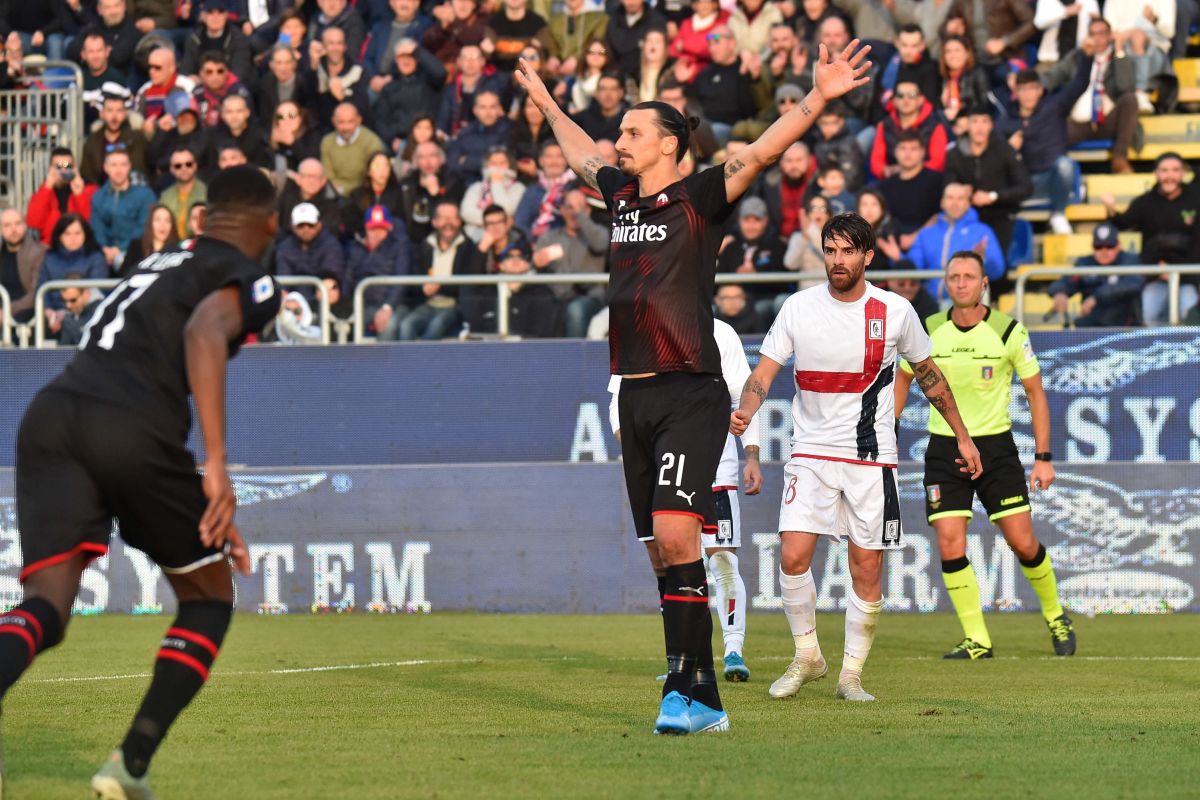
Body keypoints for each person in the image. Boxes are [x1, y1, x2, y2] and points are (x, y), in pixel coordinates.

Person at [515, 34, 874, 735]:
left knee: (682, 535)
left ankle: (693, 694)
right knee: (662, 550)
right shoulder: (618, 196)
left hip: (689, 391)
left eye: (633, 132)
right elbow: (580, 148)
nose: (619, 142)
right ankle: (691, 689)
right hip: (634, 392)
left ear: (670, 144)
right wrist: (547, 102)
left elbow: (762, 151)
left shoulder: (700, 196)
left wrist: (822, 98)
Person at [1, 165, 279, 798]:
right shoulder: (252, 278)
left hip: (51, 415)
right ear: (270, 223)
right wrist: (215, 463)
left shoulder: (158, 262)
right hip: (128, 425)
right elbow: (205, 332)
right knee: (208, 597)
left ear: (201, 218)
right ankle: (129, 767)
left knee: (47, 606)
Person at [731, 214, 982, 703]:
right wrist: (746, 409)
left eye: (848, 251)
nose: (837, 260)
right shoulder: (798, 308)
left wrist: (963, 437)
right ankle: (807, 656)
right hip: (810, 454)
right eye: (830, 250)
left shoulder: (895, 311)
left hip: (871, 459)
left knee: (866, 567)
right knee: (793, 554)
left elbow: (928, 376)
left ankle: (850, 676)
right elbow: (764, 372)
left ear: (868, 256)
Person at [895, 251, 1075, 659]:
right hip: (944, 446)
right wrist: (887, 429)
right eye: (953, 277)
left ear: (983, 284)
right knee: (949, 541)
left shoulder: (1008, 330)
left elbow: (1036, 393)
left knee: (1023, 542)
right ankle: (977, 639)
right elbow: (901, 381)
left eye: (968, 277)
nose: (960, 283)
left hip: (994, 447)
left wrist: (1043, 456)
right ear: (945, 284)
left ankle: (1055, 614)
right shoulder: (928, 330)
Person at [608, 318, 764, 681]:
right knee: (667, 563)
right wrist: (633, 449)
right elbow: (619, 399)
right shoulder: (639, 332)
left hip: (716, 468)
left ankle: (733, 650)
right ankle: (683, 658)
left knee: (722, 560)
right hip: (662, 473)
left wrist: (751, 454)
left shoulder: (720, 333)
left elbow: (743, 394)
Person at [1101, 152, 1200, 324]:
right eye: (1164, 170)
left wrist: (1177, 270)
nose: (1170, 176)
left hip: (1189, 277)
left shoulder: (1196, 199)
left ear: (1182, 173)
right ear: (1156, 173)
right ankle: (1162, 351)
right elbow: (1123, 223)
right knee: (1150, 316)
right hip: (1156, 276)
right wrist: (1110, 208)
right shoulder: (1145, 202)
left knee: (1188, 317)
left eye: (1175, 170)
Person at [995, 57, 1090, 235]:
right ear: (1016, 92)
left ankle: (1058, 214)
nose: (1028, 94)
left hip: (1052, 177)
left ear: (1040, 90)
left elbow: (1080, 83)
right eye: (1023, 90)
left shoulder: (1054, 107)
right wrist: (1009, 149)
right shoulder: (1005, 121)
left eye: (1032, 89)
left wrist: (1087, 56)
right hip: (1025, 183)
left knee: (1065, 165)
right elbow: (995, 160)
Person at [1044, 18, 1138, 174]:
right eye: (1093, 34)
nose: (1098, 39)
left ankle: (1120, 158)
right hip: (1077, 124)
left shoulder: (1119, 57)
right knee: (1050, 121)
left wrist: (1120, 49)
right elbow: (1049, 78)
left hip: (1109, 120)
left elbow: (1125, 86)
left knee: (1130, 100)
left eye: (1102, 34)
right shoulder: (1076, 57)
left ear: (1110, 35)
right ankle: (1053, 169)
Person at [942, 107, 1032, 262]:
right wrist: (963, 193)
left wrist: (994, 196)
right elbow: (948, 186)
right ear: (967, 125)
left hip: (1000, 216)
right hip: (964, 219)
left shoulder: (1004, 150)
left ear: (991, 125)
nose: (979, 127)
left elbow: (1025, 187)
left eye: (984, 121)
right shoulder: (954, 154)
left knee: (994, 265)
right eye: (975, 121)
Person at [905, 182, 1005, 302]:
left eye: (960, 198)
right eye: (950, 198)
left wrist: (983, 259)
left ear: (968, 204)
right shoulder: (926, 233)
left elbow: (997, 271)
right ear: (942, 203)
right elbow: (913, 269)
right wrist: (897, 257)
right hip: (929, 303)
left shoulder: (982, 231)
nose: (955, 203)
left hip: (965, 303)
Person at [532, 187, 609, 337]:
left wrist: (581, 215)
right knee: (540, 307)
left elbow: (600, 244)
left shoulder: (598, 232)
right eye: (569, 207)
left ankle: (575, 358)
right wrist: (536, 262)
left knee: (575, 310)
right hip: (556, 297)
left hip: (590, 297)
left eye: (580, 208)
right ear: (561, 210)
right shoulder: (549, 237)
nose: (574, 213)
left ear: (587, 211)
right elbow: (535, 264)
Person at [1047, 222, 1143, 327]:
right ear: (1092, 246)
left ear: (1119, 245)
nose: (1104, 251)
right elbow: (1068, 281)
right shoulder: (1085, 263)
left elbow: (1134, 283)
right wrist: (1060, 293)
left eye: (1110, 246)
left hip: (1123, 328)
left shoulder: (1129, 260)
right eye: (1098, 246)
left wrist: (1096, 297)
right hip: (1090, 326)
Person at [717, 195, 788, 322]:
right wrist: (736, 280)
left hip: (763, 298)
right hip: (731, 300)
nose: (751, 225)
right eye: (746, 220)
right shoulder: (731, 246)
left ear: (765, 221)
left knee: (760, 309)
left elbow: (783, 283)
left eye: (756, 220)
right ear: (739, 221)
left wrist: (756, 275)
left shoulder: (777, 245)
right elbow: (718, 280)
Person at [90, 148, 158, 271]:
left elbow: (143, 227)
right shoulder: (98, 196)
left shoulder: (145, 195)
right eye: (114, 165)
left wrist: (120, 248)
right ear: (106, 167)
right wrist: (105, 248)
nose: (118, 170)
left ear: (129, 167)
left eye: (123, 164)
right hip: (104, 254)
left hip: (137, 253)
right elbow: (97, 228)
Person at [877, 131, 944, 242]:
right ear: (895, 152)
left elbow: (941, 216)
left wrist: (914, 238)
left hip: (929, 240)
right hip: (892, 241)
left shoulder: (936, 180)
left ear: (922, 152)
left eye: (913, 149)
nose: (907, 154)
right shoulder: (885, 186)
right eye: (903, 148)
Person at [26, 148, 98, 246]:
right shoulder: (43, 192)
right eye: (58, 167)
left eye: (67, 166)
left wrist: (79, 194)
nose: (63, 171)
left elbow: (90, 222)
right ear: (49, 169)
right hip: (51, 247)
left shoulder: (89, 189)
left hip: (81, 246)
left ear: (75, 168)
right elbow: (34, 223)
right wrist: (47, 188)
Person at [37, 214, 109, 310]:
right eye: (67, 234)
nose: (73, 238)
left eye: (77, 233)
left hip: (86, 312)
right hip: (52, 314)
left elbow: (98, 292)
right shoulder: (49, 258)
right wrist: (48, 311)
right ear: (59, 237)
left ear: (85, 234)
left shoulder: (96, 258)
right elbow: (42, 291)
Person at [81, 93, 150, 186]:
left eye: (119, 111)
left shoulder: (137, 138)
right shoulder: (92, 141)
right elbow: (86, 173)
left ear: (125, 114)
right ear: (102, 114)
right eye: (110, 110)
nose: (114, 116)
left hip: (133, 191)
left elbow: (147, 167)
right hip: (101, 194)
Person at [320, 103, 387, 196]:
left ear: (359, 120)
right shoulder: (327, 142)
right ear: (333, 121)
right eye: (341, 122)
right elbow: (328, 175)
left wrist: (351, 191)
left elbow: (374, 175)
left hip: (365, 193)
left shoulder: (371, 141)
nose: (346, 127)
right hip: (337, 193)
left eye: (350, 121)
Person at [0, 208, 47, 325]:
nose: (13, 229)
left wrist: (6, 310)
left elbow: (36, 293)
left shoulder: (39, 252)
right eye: (7, 225)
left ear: (25, 225)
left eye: (18, 223)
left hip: (25, 312)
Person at [119, 204, 181, 278]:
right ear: (150, 224)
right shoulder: (136, 247)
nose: (163, 225)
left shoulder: (178, 251)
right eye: (158, 220)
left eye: (167, 220)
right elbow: (124, 275)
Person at [160, 148, 208, 238]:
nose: (184, 168)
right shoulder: (165, 196)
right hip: (171, 248)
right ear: (171, 169)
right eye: (178, 166)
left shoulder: (208, 193)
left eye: (188, 164)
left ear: (195, 165)